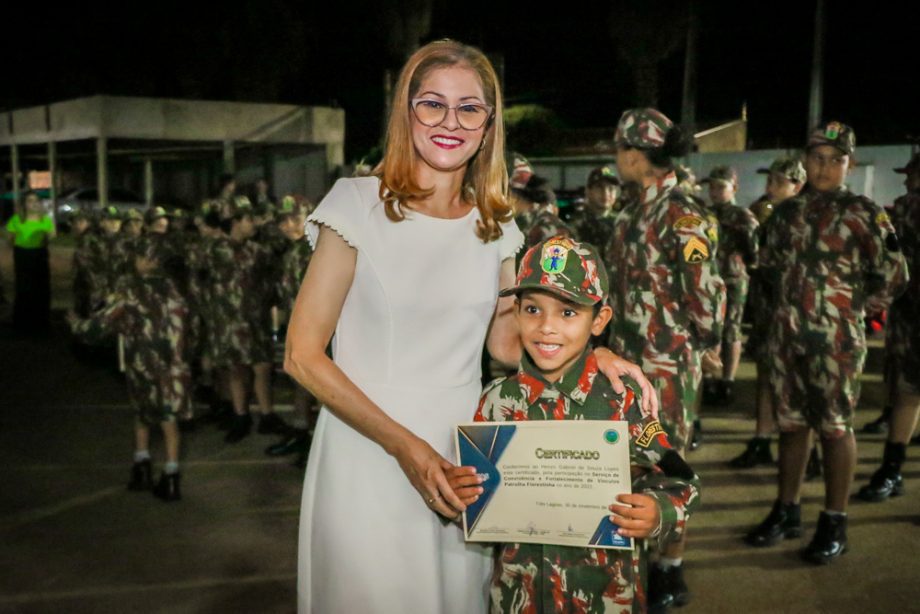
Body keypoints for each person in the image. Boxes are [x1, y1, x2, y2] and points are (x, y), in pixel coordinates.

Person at [283, 40, 657, 614]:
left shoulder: (498, 223)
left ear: (488, 125)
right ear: (406, 112)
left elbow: (510, 347)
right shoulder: (356, 205)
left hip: (469, 453)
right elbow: (303, 356)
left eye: (469, 108)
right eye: (432, 104)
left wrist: (591, 354)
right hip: (367, 451)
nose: (449, 122)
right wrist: (407, 449)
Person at [449, 235, 700, 613]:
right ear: (514, 313)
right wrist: (460, 493)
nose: (547, 327)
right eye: (533, 310)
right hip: (519, 597)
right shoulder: (498, 400)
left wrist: (658, 511)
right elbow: (474, 495)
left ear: (598, 320)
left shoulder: (621, 399)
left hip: (603, 597)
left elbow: (683, 482)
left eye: (568, 313)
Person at [744, 121, 908, 564]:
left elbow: (896, 273)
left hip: (836, 345)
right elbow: (769, 267)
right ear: (806, 160)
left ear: (849, 164)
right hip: (788, 341)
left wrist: (853, 311)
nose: (824, 167)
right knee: (792, 425)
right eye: (817, 158)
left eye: (835, 160)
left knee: (836, 429)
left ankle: (835, 519)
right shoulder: (785, 214)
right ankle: (787, 509)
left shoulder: (867, 214)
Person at [606, 107, 725, 608]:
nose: (616, 159)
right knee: (630, 464)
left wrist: (696, 346)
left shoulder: (687, 214)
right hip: (629, 364)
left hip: (669, 368)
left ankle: (670, 571)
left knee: (668, 465)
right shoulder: (631, 213)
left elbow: (706, 294)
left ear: (634, 155)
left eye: (619, 151)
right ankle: (641, 565)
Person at [67, 235, 190, 501]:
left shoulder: (131, 291)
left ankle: (142, 466)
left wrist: (76, 324)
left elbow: (102, 324)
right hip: (173, 366)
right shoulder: (174, 290)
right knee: (170, 420)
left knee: (142, 413)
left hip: (142, 363)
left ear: (146, 260)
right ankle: (171, 475)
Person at [730, 157, 806, 469]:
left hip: (794, 318)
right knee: (764, 376)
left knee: (795, 386)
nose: (769, 187)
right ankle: (761, 440)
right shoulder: (774, 216)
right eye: (769, 180)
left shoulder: (804, 218)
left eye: (778, 181)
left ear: (797, 185)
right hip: (768, 313)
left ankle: (807, 454)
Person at [856, 152, 920, 502]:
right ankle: (892, 469)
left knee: (908, 391)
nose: (907, 178)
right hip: (909, 311)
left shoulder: (906, 206)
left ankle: (892, 470)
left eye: (912, 173)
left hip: (910, 311)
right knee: (907, 391)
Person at [699, 166, 758, 408]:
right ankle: (711, 377)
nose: (714, 191)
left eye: (720, 186)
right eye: (711, 186)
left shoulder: (743, 216)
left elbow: (753, 252)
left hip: (733, 279)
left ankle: (728, 380)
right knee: (710, 330)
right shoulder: (703, 214)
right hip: (708, 280)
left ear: (734, 188)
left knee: (731, 329)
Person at [265, 196, 317, 466]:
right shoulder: (293, 250)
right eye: (283, 221)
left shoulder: (316, 247)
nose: (288, 225)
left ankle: (315, 444)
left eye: (294, 219)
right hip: (299, 328)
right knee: (301, 385)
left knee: (319, 387)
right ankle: (301, 434)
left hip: (320, 332)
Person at [5, 191, 56, 332]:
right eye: (29, 201)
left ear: (39, 203)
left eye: (35, 201)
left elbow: (51, 236)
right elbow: (9, 238)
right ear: (24, 204)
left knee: (41, 288)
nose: (32, 204)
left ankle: (41, 323)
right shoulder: (17, 219)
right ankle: (22, 323)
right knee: (23, 288)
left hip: (39, 255)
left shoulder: (45, 220)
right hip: (22, 256)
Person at [569, 165, 620, 251]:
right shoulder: (576, 225)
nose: (606, 193)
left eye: (611, 189)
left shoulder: (622, 222)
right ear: (588, 192)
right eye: (600, 187)